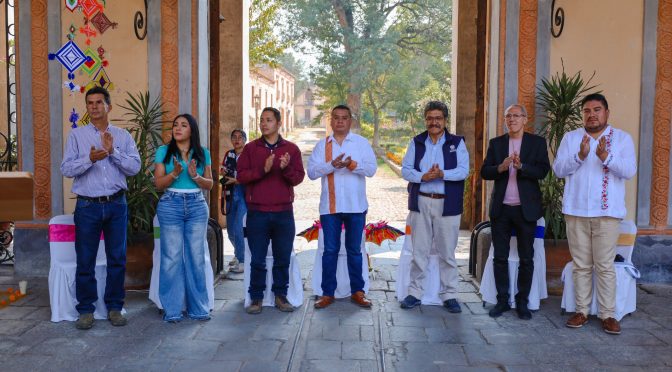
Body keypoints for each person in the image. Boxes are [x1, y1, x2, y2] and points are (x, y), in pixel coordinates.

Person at [553, 93, 637, 335]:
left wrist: (605, 157)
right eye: (587, 110)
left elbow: (629, 170)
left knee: (604, 265)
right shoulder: (571, 138)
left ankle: (608, 315)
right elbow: (558, 169)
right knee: (580, 265)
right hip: (576, 211)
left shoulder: (621, 139)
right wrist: (579, 156)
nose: (592, 114)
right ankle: (581, 311)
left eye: (597, 110)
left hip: (607, 213)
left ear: (607, 113)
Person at [61, 86, 141, 330]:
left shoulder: (123, 136)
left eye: (98, 102)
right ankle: (86, 309)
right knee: (85, 259)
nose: (94, 107)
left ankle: (115, 307)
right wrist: (90, 159)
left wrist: (112, 151)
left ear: (109, 106)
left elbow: (134, 168)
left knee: (117, 258)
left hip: (117, 204)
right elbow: (66, 169)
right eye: (90, 103)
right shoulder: (77, 136)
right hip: (88, 206)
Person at [481, 104, 550, 320]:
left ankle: (522, 302)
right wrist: (500, 168)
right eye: (508, 116)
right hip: (501, 210)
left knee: (526, 258)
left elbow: (543, 171)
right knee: (499, 257)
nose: (512, 119)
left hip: (526, 210)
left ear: (525, 119)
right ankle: (502, 301)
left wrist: (523, 167)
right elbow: (485, 172)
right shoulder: (497, 143)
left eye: (516, 116)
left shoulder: (536, 143)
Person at [400, 101, 469, 313]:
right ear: (426, 120)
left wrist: (442, 174)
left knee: (447, 252)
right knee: (419, 250)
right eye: (430, 118)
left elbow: (463, 170)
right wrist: (423, 176)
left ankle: (449, 294)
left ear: (445, 120)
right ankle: (414, 293)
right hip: (421, 201)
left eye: (438, 118)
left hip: (446, 204)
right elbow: (406, 170)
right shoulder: (417, 142)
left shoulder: (456, 143)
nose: (434, 122)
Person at [307, 105, 377, 309]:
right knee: (330, 250)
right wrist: (332, 165)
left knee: (355, 250)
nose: (340, 121)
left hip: (356, 206)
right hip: (330, 207)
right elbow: (311, 172)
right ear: (331, 121)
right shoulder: (323, 145)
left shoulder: (361, 143)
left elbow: (372, 169)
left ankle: (358, 291)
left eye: (344, 118)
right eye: (336, 118)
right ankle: (327, 293)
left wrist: (353, 165)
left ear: (350, 121)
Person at [237, 107, 305, 314]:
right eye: (261, 120)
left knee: (282, 257)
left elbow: (298, 178)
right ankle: (256, 298)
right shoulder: (250, 149)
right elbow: (241, 176)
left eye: (268, 120)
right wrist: (263, 170)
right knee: (257, 258)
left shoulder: (291, 149)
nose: (264, 123)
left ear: (278, 123)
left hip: (284, 213)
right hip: (257, 212)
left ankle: (280, 296)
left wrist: (285, 169)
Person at [153, 114, 214, 322]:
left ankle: (199, 309)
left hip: (197, 205)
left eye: (183, 125)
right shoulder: (164, 151)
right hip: (170, 204)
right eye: (175, 125)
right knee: (171, 258)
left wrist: (195, 176)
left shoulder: (202, 153)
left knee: (196, 258)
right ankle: (172, 310)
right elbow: (159, 184)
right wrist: (174, 174)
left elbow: (210, 184)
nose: (177, 128)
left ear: (192, 130)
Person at [221, 129, 248, 274]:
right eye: (234, 137)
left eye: (240, 137)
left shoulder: (249, 154)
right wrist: (223, 172)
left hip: (244, 193)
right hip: (230, 193)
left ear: (245, 140)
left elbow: (250, 174)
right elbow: (224, 168)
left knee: (239, 227)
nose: (237, 140)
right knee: (231, 230)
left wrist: (237, 179)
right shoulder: (229, 154)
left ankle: (243, 260)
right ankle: (239, 254)